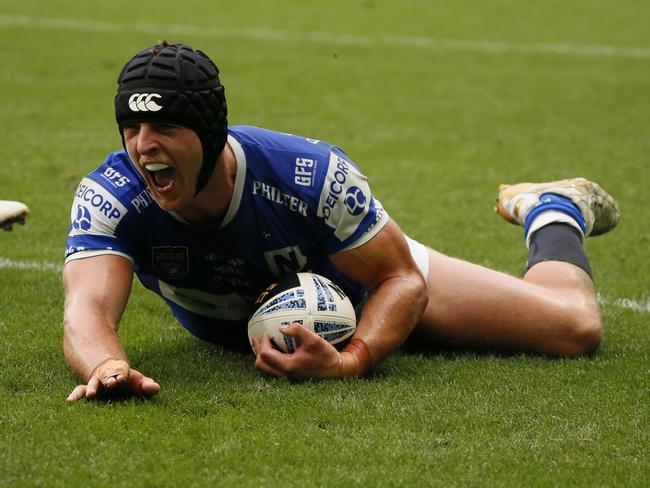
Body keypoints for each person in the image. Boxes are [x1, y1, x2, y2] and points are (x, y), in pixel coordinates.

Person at [63, 42, 620, 403]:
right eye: (130, 128)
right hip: (286, 314)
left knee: (574, 329)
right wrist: (107, 365)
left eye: (164, 127)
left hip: (369, 284)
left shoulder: (310, 175)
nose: (143, 145)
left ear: (209, 134)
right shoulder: (112, 196)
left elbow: (402, 281)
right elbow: (86, 308)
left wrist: (351, 360)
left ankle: (552, 210)